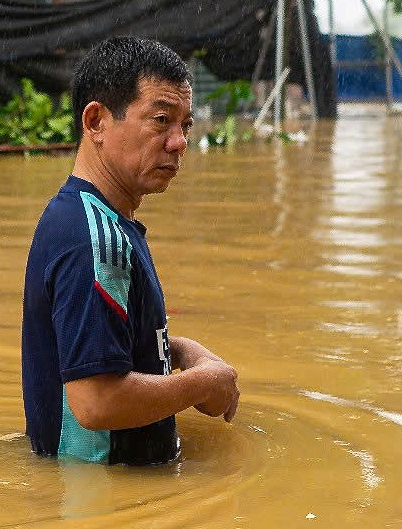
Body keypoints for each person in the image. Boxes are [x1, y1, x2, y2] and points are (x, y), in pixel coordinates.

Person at [21, 36, 239, 465]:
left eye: (186, 125)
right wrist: (204, 384)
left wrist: (176, 350)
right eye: (161, 120)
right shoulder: (93, 237)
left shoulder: (88, 219)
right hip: (103, 506)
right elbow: (96, 402)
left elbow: (92, 345)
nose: (179, 143)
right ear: (97, 121)